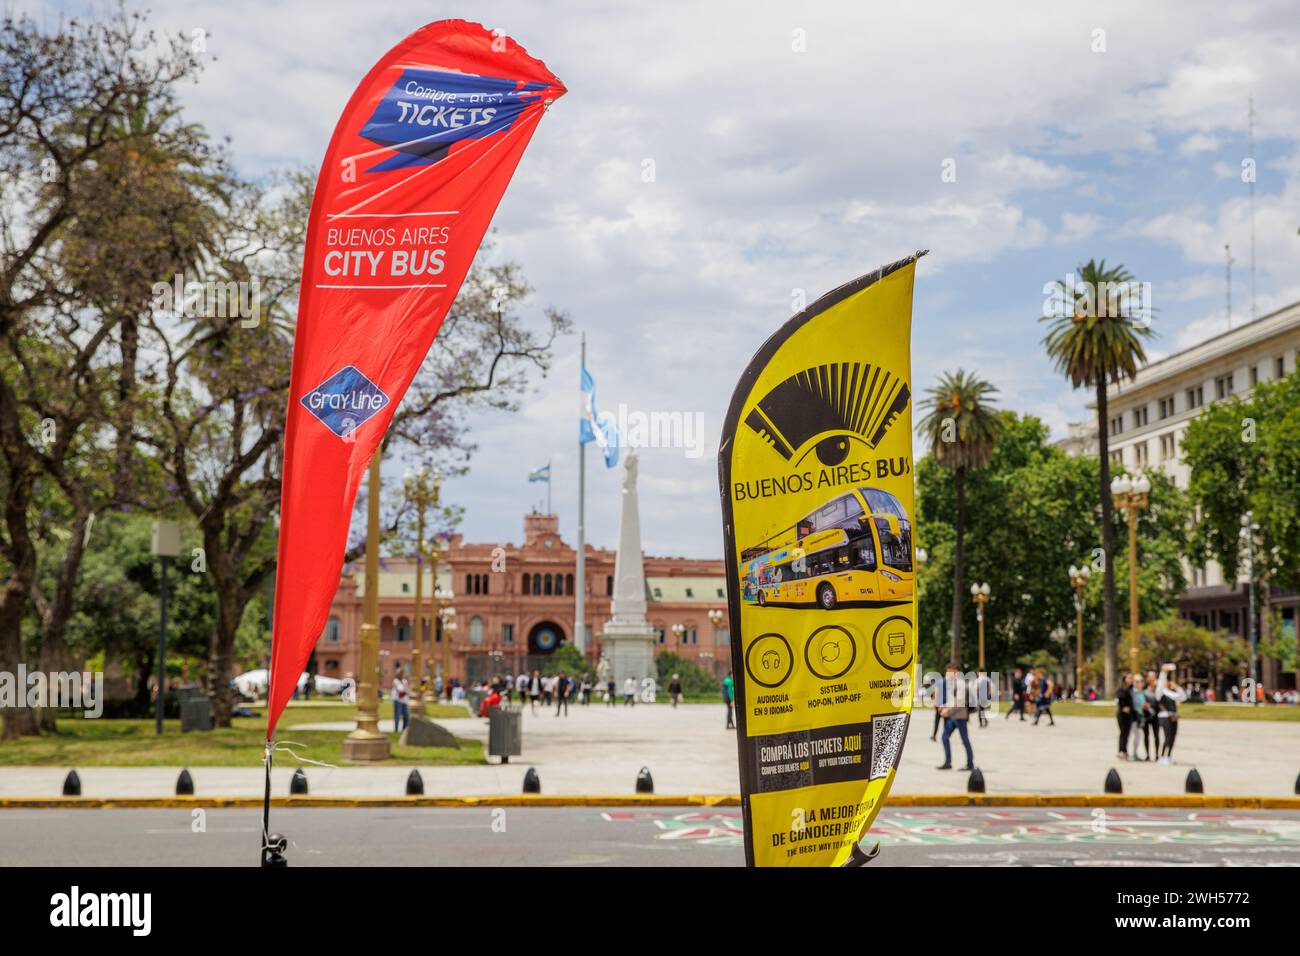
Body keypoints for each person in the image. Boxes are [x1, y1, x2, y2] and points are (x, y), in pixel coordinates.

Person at [936, 662, 974, 771]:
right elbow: (952, 701)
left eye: (949, 671)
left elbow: (960, 702)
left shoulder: (960, 683)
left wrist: (948, 712)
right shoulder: (953, 683)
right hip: (954, 717)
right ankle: (948, 762)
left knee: (965, 740)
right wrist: (944, 706)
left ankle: (970, 764)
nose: (947, 673)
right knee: (944, 737)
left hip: (960, 717)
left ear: (956, 671)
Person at [1155, 664, 1186, 765]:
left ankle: (1168, 756)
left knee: (1173, 737)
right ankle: (1162, 756)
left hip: (1173, 717)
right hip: (1165, 717)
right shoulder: (1160, 692)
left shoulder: (1171, 693)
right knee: (1167, 737)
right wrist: (1163, 672)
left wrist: (1176, 687)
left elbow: (1183, 697)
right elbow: (1160, 684)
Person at [1115, 673, 1134, 760]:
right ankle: (1121, 751)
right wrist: (1123, 707)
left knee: (1127, 733)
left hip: (1129, 714)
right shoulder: (1122, 688)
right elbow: (1119, 697)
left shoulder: (1132, 688)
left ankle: (1125, 751)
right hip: (1122, 714)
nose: (1131, 679)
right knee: (1123, 733)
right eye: (1129, 678)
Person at [391, 665, 410, 734]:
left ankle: (404, 730)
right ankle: (396, 730)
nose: (402, 674)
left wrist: (405, 689)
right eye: (400, 673)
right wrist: (405, 689)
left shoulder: (404, 681)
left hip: (404, 701)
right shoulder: (395, 681)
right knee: (397, 716)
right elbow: (400, 689)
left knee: (406, 716)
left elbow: (407, 690)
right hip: (398, 700)